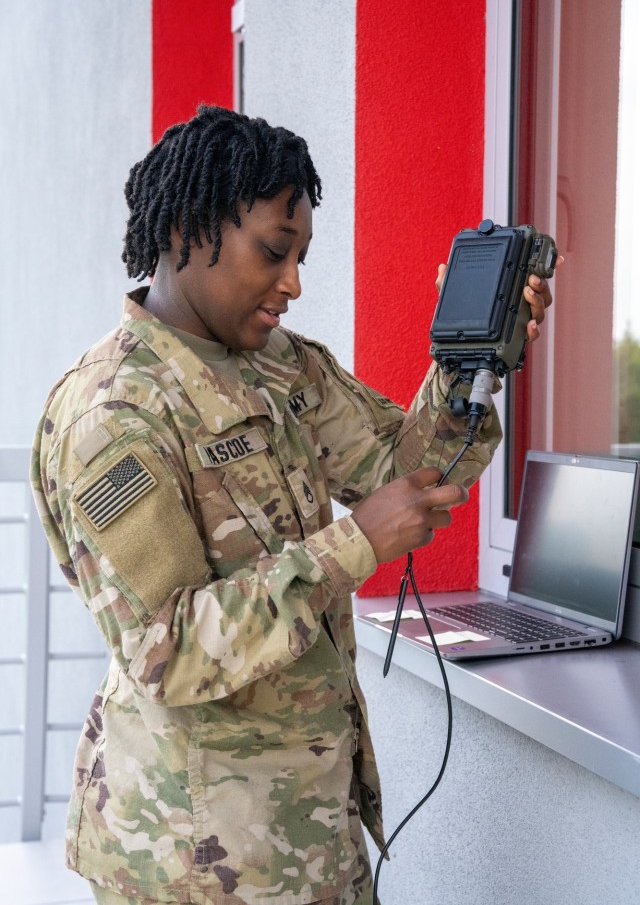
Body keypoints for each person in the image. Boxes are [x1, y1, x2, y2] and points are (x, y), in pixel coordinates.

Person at [31, 105, 553, 905]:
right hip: (194, 861)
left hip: (311, 831)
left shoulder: (283, 367)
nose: (293, 284)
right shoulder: (114, 415)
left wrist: (470, 363)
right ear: (183, 231)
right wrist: (353, 546)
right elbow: (164, 650)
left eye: (301, 255)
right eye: (274, 252)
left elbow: (401, 469)